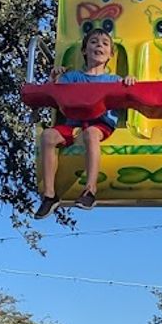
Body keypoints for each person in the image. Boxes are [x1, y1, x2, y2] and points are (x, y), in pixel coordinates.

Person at [34, 28, 135, 218]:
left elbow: (128, 93)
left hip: (100, 124)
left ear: (111, 54)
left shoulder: (114, 80)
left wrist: (129, 81)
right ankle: (49, 194)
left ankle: (90, 190)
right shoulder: (72, 77)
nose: (99, 46)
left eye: (105, 43)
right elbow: (53, 92)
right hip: (75, 124)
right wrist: (54, 78)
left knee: (91, 134)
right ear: (84, 50)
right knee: (48, 136)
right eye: (94, 42)